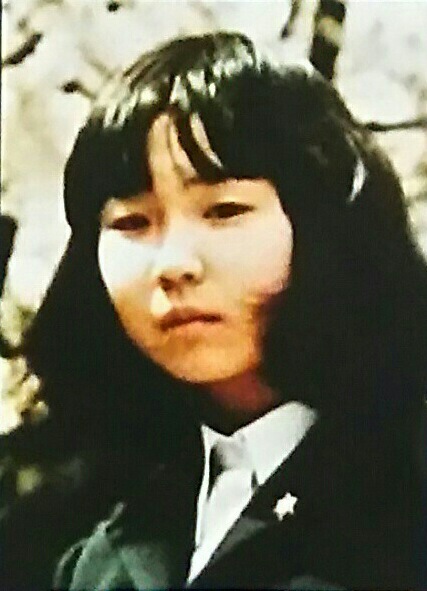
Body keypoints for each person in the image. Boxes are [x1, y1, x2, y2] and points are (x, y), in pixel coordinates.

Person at [17, 32, 427, 589]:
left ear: (323, 224)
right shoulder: (84, 525)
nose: (173, 263)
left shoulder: (404, 493)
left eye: (225, 210)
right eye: (132, 222)